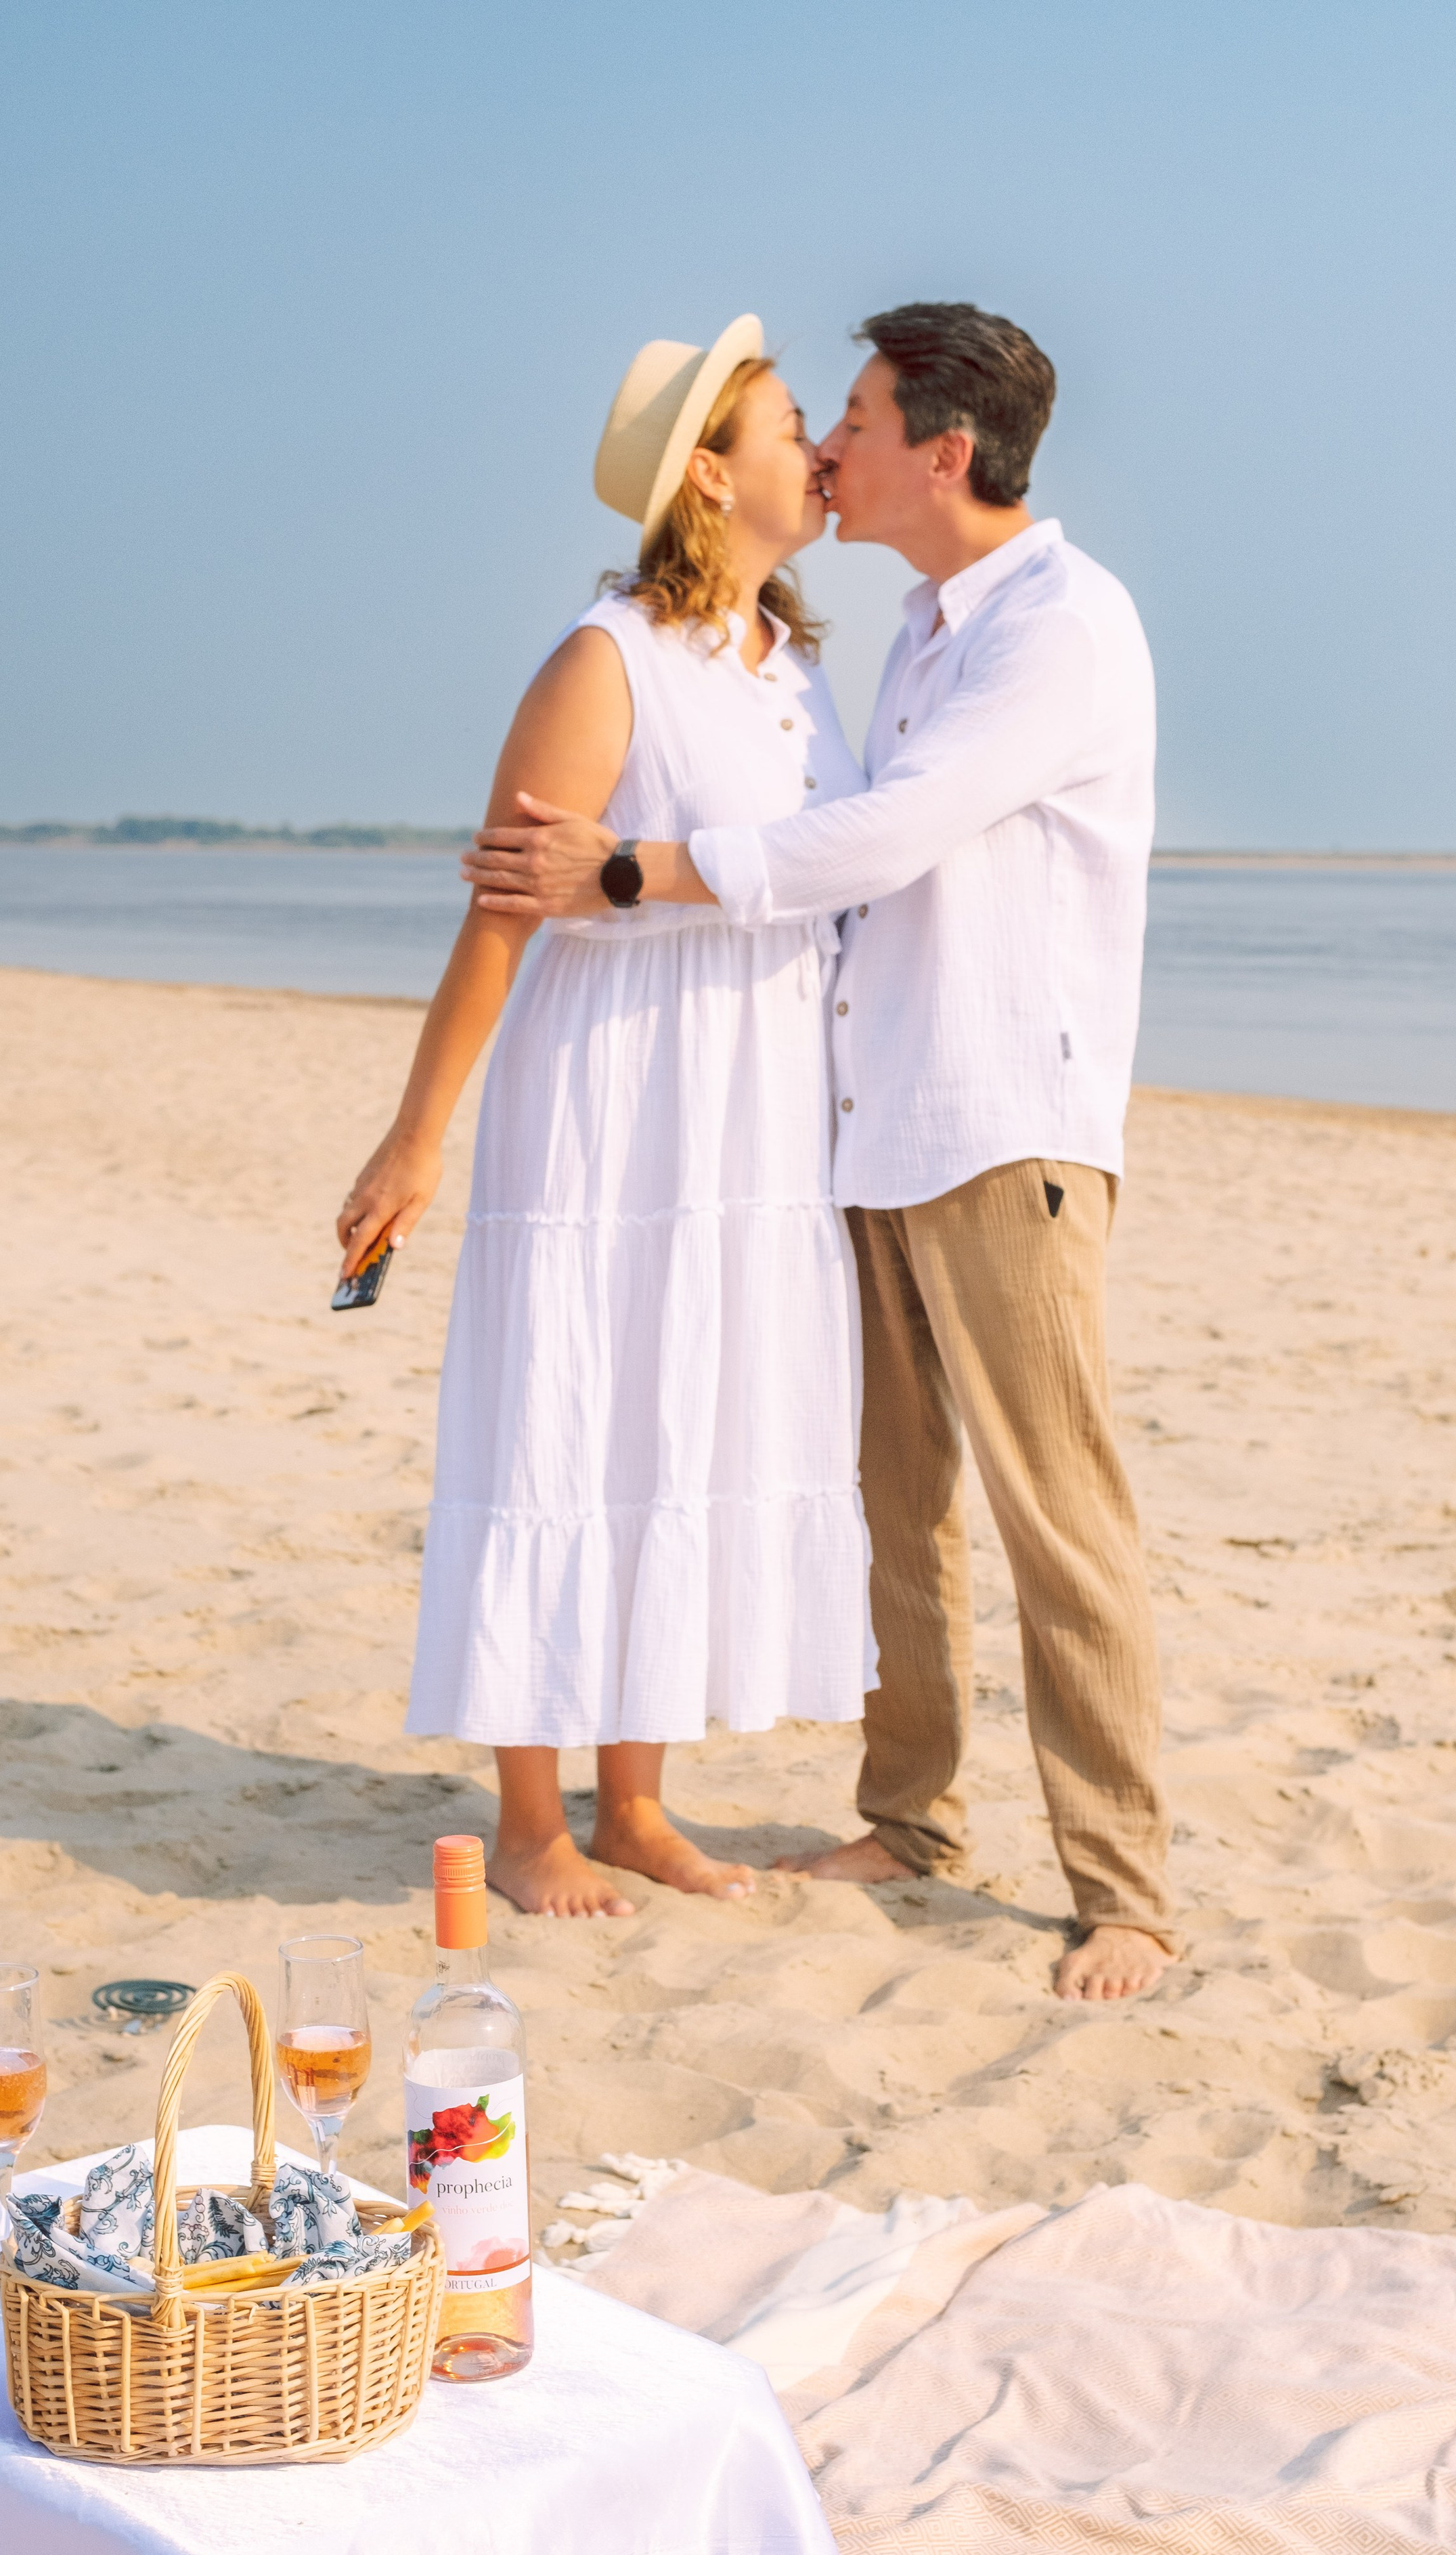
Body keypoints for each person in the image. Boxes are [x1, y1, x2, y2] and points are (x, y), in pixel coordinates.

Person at [462, 302, 1176, 2001]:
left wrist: (632, 872)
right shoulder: (916, 629)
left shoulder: (1062, 627)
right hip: (868, 1128)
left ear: (944, 448)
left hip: (1004, 1124)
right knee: (898, 1507)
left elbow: (883, 835)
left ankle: (1126, 1887)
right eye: (821, 416)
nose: (834, 443)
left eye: (852, 415)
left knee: (1056, 1513)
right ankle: (911, 1817)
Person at [338, 315, 876, 1919]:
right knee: (565, 1410)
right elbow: (501, 917)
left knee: (684, 1413)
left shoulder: (796, 666)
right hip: (609, 1101)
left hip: (753, 1114)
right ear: (709, 473)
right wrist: (413, 1136)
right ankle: (528, 1819)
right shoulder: (605, 659)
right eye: (794, 426)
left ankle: (635, 1802)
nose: (822, 451)